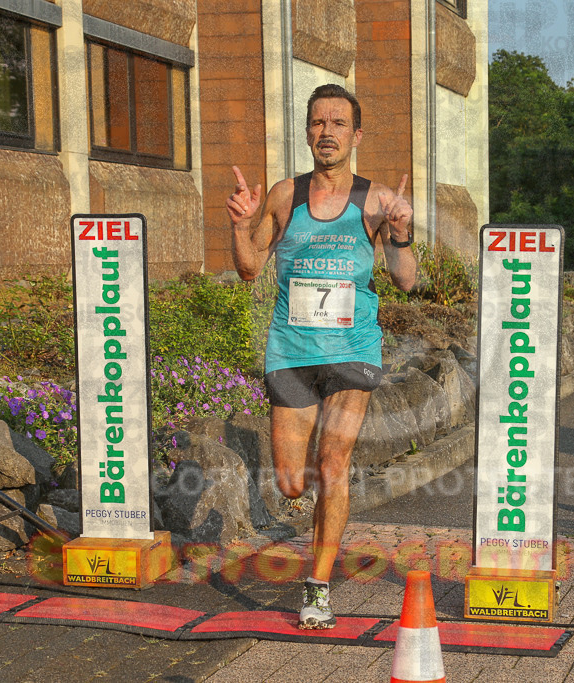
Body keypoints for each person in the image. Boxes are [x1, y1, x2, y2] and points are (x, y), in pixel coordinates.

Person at [227, 84, 416, 630]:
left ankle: (317, 586)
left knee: (334, 464)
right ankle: (315, 495)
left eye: (337, 123)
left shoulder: (377, 201)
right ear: (307, 132)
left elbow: (406, 281)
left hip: (352, 349)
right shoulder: (285, 195)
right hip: (292, 350)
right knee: (291, 483)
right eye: (317, 122)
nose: (326, 132)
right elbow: (248, 268)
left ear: (356, 135)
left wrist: (401, 234)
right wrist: (240, 225)